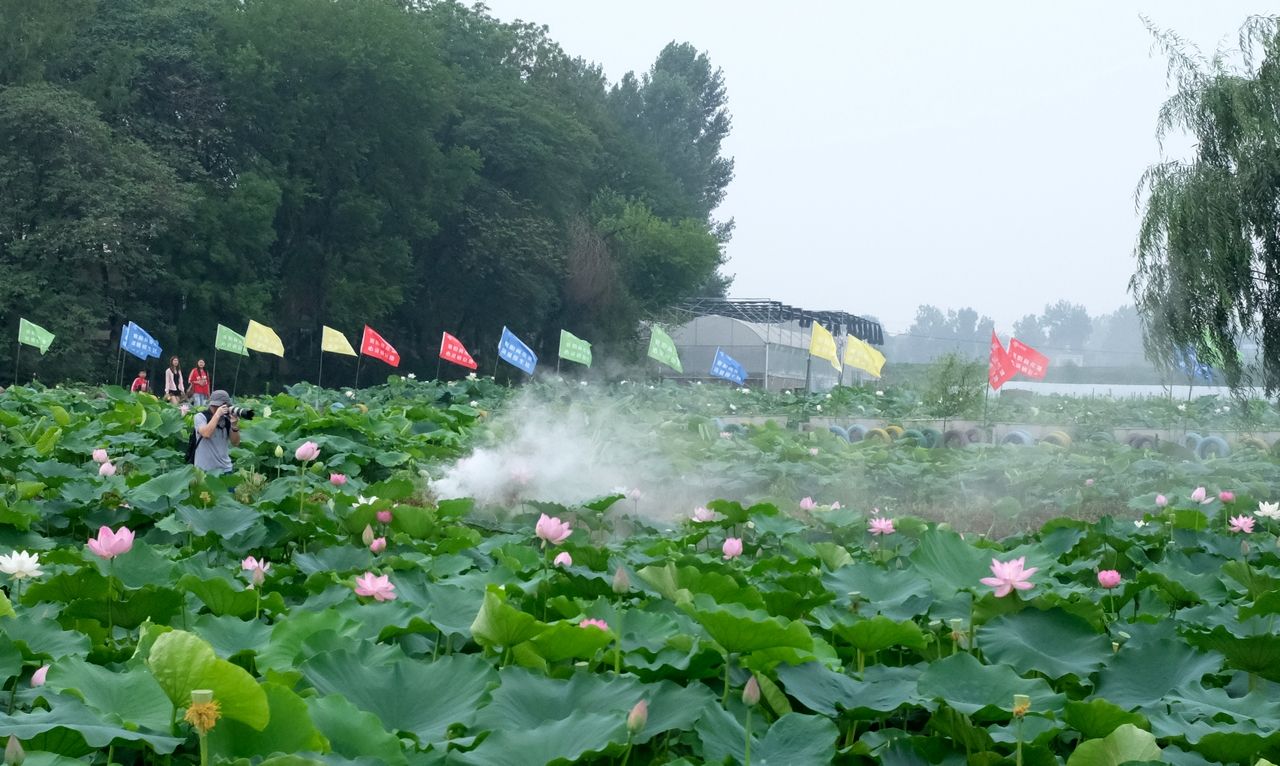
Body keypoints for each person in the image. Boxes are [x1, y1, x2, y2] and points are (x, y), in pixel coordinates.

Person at [193, 390, 241, 474]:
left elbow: (235, 443)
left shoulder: (227, 419)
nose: (222, 408)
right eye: (219, 406)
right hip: (204, 470)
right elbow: (206, 433)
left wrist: (234, 425)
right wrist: (217, 415)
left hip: (225, 469)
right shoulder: (200, 417)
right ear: (212, 404)